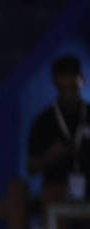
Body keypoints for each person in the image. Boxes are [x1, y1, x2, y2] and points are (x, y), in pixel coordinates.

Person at [27, 55, 90, 204]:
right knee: (53, 198)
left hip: (88, 189)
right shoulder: (44, 121)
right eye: (63, 89)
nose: (68, 94)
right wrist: (50, 157)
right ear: (55, 82)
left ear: (81, 79)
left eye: (72, 88)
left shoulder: (88, 114)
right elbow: (31, 167)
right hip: (57, 192)